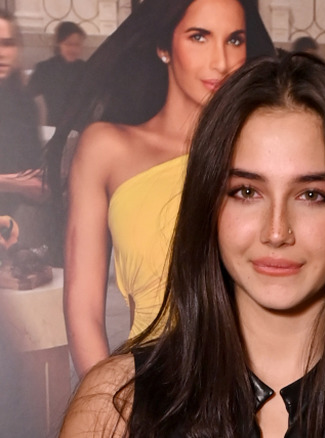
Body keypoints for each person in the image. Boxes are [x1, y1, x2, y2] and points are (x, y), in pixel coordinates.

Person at [60, 52, 325, 437]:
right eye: (246, 192)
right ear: (208, 206)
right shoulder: (115, 404)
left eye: (311, 195)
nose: (276, 232)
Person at [55, 0, 275, 378]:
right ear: (163, 46)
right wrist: (107, 412)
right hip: (152, 391)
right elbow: (83, 309)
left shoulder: (260, 150)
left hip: (253, 389)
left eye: (235, 40)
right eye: (199, 37)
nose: (221, 61)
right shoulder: (106, 148)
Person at [0, 10, 47, 247]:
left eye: (7, 43)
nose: (1, 53)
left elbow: (33, 168)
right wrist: (17, 183)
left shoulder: (25, 103)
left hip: (14, 223)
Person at [27, 21, 87, 127]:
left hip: (81, 128)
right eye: (69, 44)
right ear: (59, 44)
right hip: (54, 128)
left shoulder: (86, 69)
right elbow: (26, 98)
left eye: (77, 45)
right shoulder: (44, 69)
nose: (73, 49)